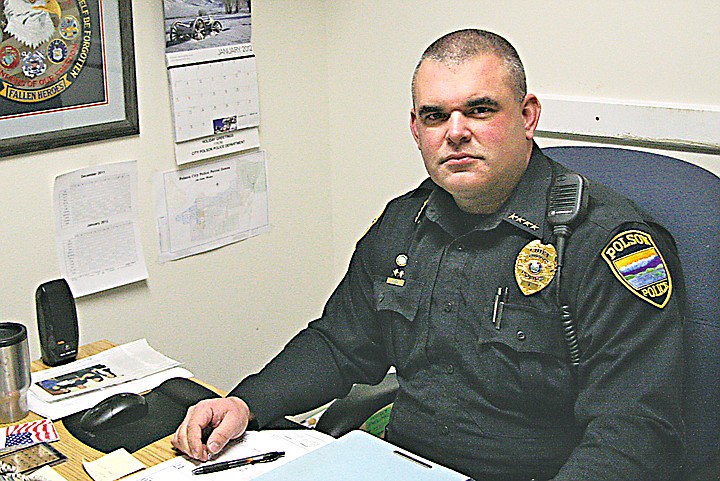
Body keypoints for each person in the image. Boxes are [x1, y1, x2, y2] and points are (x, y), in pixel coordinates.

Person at [172, 29, 685, 481]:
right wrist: (247, 402)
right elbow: (340, 343)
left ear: (527, 116)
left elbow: (634, 428)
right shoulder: (403, 223)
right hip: (397, 463)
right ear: (416, 130)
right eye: (435, 116)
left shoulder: (604, 241)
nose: (455, 132)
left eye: (480, 110)